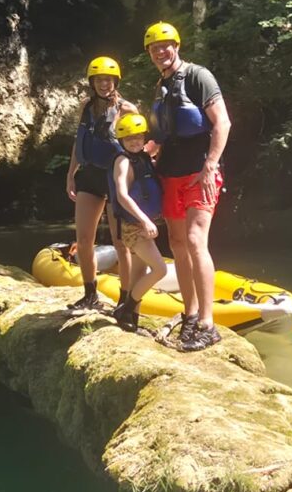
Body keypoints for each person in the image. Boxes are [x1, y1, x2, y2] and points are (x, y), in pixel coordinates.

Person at [144, 22, 231, 351]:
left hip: (199, 173)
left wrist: (210, 165)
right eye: (154, 49)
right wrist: (138, 155)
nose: (160, 52)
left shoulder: (198, 76)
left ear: (177, 46)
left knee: (196, 240)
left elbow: (222, 121)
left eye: (165, 46)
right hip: (170, 174)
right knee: (178, 242)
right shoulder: (161, 87)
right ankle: (191, 313)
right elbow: (160, 137)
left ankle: (208, 323)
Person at [66, 56, 137, 311]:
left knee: (121, 243)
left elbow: (136, 147)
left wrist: (131, 182)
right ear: (92, 83)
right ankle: (90, 295)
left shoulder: (126, 109)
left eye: (108, 79)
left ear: (115, 81)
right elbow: (79, 142)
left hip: (114, 178)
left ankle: (125, 300)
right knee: (84, 240)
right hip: (89, 177)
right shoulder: (85, 106)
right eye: (99, 80)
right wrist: (71, 173)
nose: (104, 84)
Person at [108, 113, 168, 332]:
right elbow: (123, 195)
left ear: (144, 138)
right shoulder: (123, 161)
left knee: (138, 273)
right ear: (122, 141)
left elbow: (158, 144)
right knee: (160, 269)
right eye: (129, 139)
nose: (134, 142)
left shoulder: (142, 156)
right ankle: (126, 308)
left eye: (138, 137)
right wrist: (144, 220)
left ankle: (131, 319)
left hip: (141, 225)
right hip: (134, 227)